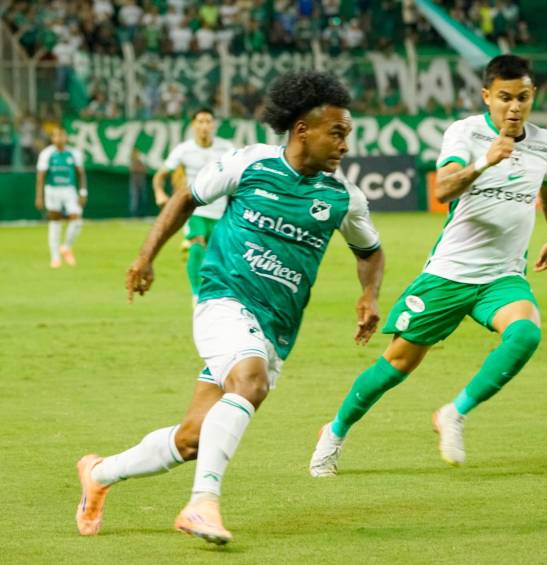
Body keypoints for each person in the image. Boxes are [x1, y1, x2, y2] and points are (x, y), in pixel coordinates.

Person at [75, 71, 384, 545]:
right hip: (223, 300)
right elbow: (186, 198)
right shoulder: (250, 163)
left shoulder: (343, 197)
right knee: (250, 381)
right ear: (302, 129)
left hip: (276, 327)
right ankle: (202, 504)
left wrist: (369, 295)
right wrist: (145, 257)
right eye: (337, 132)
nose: (345, 144)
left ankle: (99, 473)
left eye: (348, 134)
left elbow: (370, 252)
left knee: (192, 439)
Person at [310, 54, 547, 476]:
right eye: (504, 97)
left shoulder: (545, 143)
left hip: (502, 276)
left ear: (533, 95)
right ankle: (334, 432)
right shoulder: (465, 133)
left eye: (522, 97)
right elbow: (443, 189)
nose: (514, 107)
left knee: (525, 333)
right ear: (486, 96)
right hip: (450, 274)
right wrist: (485, 161)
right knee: (396, 366)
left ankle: (454, 412)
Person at [152, 108, 234, 303]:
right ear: (193, 125)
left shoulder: (227, 149)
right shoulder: (184, 150)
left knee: (218, 259)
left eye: (208, 121)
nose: (204, 126)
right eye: (200, 121)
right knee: (197, 245)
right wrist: (159, 193)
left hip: (220, 212)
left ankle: (218, 298)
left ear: (214, 125)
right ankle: (197, 297)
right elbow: (160, 175)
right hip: (194, 210)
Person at [34, 127, 87, 268]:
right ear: (52, 138)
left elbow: (81, 174)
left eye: (61, 135)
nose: (59, 138)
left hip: (69, 190)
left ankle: (66, 247)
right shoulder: (47, 154)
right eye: (56, 136)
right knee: (55, 221)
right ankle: (55, 257)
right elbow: (41, 176)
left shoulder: (74, 153)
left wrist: (83, 192)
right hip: (52, 190)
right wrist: (39, 196)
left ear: (66, 137)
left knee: (76, 218)